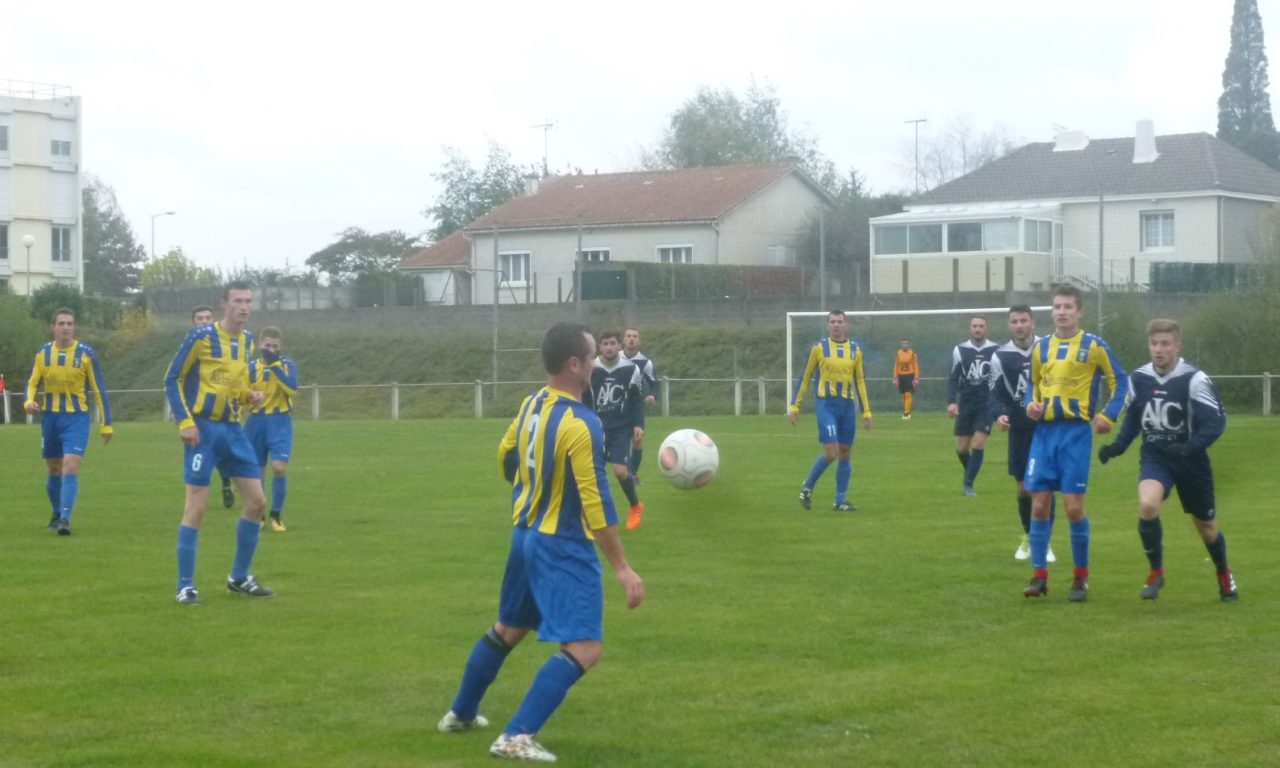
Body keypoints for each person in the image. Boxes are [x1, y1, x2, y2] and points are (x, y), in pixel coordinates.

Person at [437, 322, 644, 763]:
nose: (594, 363)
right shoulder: (582, 423)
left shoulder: (532, 403)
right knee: (585, 647)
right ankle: (515, 737)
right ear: (575, 364)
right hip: (561, 543)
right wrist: (623, 568)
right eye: (590, 357)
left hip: (524, 533)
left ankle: (461, 713)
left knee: (509, 629)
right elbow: (595, 502)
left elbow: (505, 458)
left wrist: (534, 490)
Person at [1098, 319, 1237, 602]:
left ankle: (1224, 574)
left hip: (1191, 462)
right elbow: (1134, 419)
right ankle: (1156, 572)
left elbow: (1215, 423)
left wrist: (1189, 448)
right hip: (1155, 456)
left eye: (1164, 344)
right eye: (1153, 344)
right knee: (1148, 504)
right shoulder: (1139, 378)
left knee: (1207, 529)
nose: (1158, 350)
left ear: (1177, 346)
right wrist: (1117, 448)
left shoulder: (1194, 379)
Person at [164, 281, 274, 605]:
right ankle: (185, 586)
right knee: (196, 507)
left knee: (256, 502)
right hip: (203, 431)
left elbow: (236, 383)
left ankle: (239, 577)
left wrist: (248, 395)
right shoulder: (202, 337)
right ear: (224, 303)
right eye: (238, 300)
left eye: (248, 301)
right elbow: (173, 377)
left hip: (233, 429)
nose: (244, 306)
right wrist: (185, 421)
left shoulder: (247, 341)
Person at [1022, 284, 1128, 602]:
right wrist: (1031, 404)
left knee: (1073, 507)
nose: (1062, 312)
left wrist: (1109, 414)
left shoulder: (1094, 345)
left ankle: (1081, 577)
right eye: (1057, 307)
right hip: (1044, 435)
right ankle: (1039, 575)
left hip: (1075, 435)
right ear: (1051, 312)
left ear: (1079, 311)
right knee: (1039, 504)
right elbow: (1032, 385)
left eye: (1068, 306)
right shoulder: (1040, 348)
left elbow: (1120, 380)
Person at [23, 308, 114, 535]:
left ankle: (65, 519)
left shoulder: (85, 353)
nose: (65, 327)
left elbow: (98, 388)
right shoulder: (43, 353)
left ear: (74, 327)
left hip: (76, 418)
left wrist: (106, 423)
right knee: (53, 467)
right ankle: (55, 513)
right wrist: (28, 402)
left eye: (69, 323)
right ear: (53, 327)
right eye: (61, 323)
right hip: (51, 418)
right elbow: (33, 382)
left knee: (71, 464)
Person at [789, 310, 873, 512]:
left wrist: (866, 412)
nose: (836, 325)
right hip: (826, 405)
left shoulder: (856, 350)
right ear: (828, 325)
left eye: (840, 321)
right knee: (831, 452)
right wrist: (795, 405)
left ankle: (840, 500)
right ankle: (806, 488)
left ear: (846, 325)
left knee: (845, 453)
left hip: (847, 406)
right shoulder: (819, 348)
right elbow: (806, 377)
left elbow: (859, 381)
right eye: (833, 322)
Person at [989, 305, 1055, 563]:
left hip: (1047, 427)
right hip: (1019, 429)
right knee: (1023, 488)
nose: (1019, 325)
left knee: (1045, 487)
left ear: (1033, 322)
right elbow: (993, 393)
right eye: (1014, 321)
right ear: (1009, 325)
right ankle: (1029, 535)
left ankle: (1045, 541)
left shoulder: (1048, 348)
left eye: (1023, 320)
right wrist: (998, 415)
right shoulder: (1000, 356)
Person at [585, 331, 646, 530]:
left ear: (619, 345)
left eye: (612, 343)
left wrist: (639, 424)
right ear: (600, 347)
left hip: (621, 427)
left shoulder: (631, 369)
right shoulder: (591, 368)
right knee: (592, 474)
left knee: (620, 472)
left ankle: (635, 506)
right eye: (605, 344)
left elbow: (637, 400)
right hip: (596, 428)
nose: (609, 347)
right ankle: (593, 515)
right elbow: (583, 398)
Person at [245, 326, 299, 533]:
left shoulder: (286, 365)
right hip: (256, 422)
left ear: (280, 347)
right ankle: (259, 515)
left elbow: (292, 389)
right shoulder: (250, 367)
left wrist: (275, 366)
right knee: (256, 471)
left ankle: (276, 515)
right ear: (260, 345)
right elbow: (242, 392)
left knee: (279, 467)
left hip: (279, 421)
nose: (271, 349)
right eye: (267, 345)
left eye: (275, 346)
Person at [947, 316, 999, 496]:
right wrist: (952, 402)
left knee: (978, 443)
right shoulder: (960, 350)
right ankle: (971, 472)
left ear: (987, 329)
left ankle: (968, 485)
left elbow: (1001, 379)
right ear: (970, 329)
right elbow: (953, 378)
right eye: (975, 326)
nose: (978, 329)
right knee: (961, 448)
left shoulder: (996, 350)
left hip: (987, 403)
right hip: (966, 402)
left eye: (981, 326)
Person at [193, 305, 237, 510]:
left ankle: (226, 481)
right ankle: (196, 500)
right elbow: (177, 378)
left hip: (221, 410)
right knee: (202, 449)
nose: (204, 321)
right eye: (199, 318)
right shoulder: (190, 346)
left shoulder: (222, 346)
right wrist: (179, 411)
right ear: (193, 322)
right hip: (195, 411)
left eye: (208, 318)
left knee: (220, 448)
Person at [621, 328, 658, 483]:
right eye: (628, 336)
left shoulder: (645, 362)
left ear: (639, 341)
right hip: (618, 407)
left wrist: (653, 395)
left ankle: (632, 474)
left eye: (635, 336)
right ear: (623, 340)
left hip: (636, 407)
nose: (631, 339)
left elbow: (654, 383)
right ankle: (623, 472)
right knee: (620, 441)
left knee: (637, 439)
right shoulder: (615, 358)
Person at [893, 339, 920, 419]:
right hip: (901, 376)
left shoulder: (912, 354)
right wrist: (895, 377)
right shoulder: (898, 353)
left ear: (908, 345)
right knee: (903, 395)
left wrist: (916, 377)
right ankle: (906, 411)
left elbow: (915, 365)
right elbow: (896, 365)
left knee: (908, 394)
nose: (904, 345)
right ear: (901, 345)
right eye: (903, 344)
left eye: (906, 344)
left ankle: (907, 413)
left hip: (910, 375)